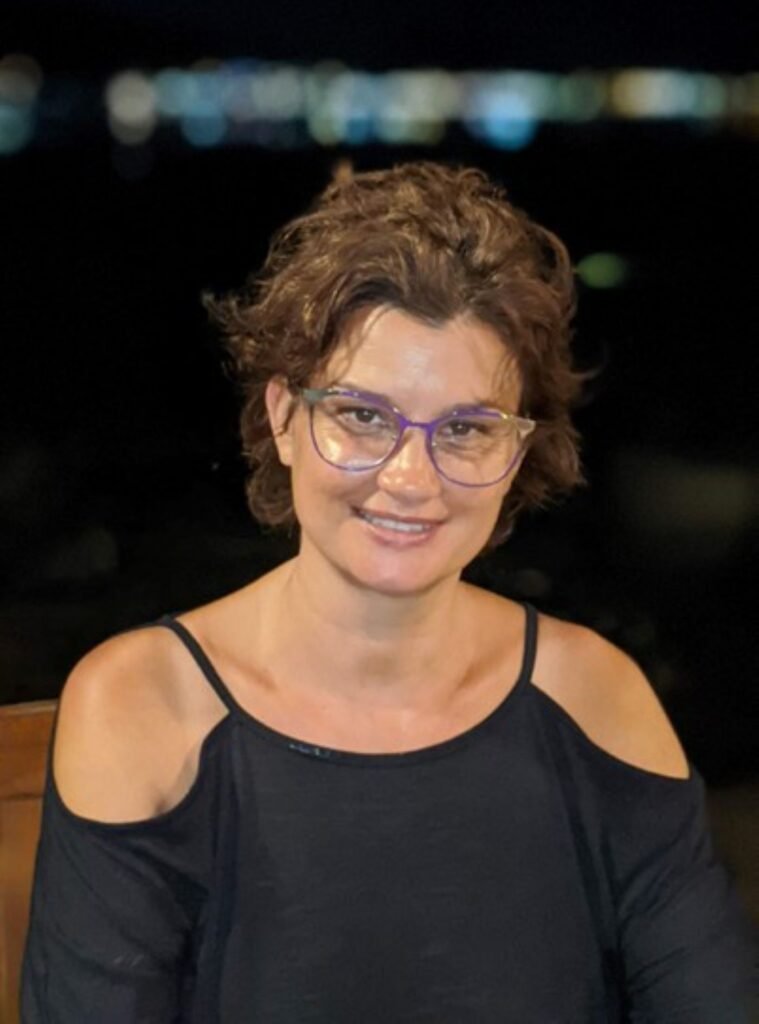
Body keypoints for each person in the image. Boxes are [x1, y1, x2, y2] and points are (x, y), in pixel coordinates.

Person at [21, 161, 752, 1022]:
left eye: (466, 428)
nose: (410, 477)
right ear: (284, 418)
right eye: (362, 416)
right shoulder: (143, 706)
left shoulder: (594, 696)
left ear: (517, 452)